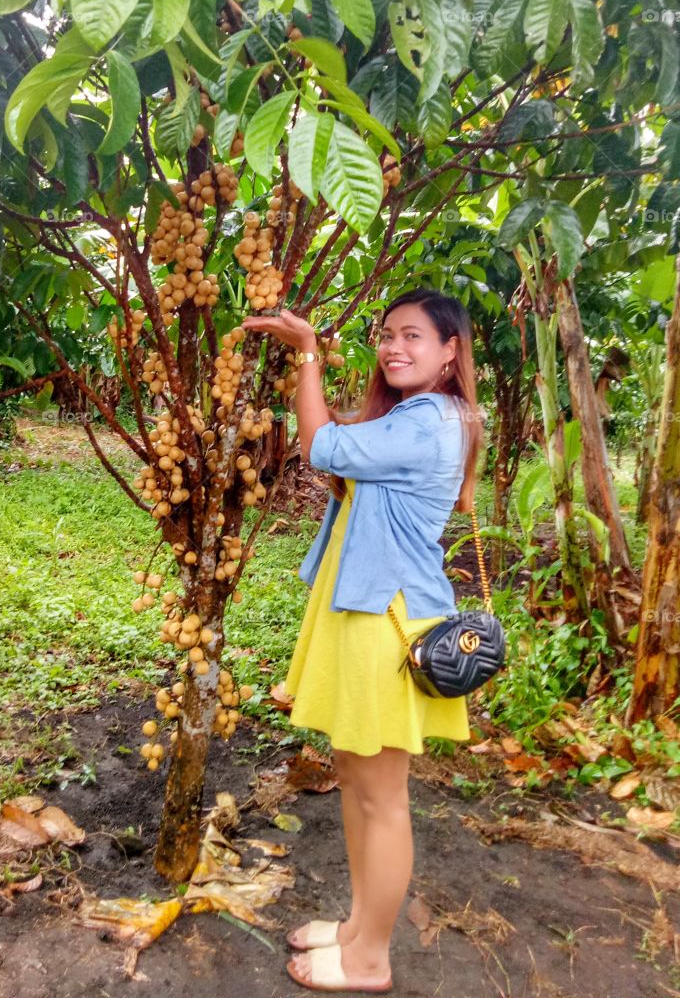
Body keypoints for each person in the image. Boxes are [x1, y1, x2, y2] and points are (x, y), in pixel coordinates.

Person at [242, 288, 483, 995]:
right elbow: (344, 459)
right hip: (366, 608)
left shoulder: (431, 420)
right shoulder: (420, 414)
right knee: (357, 783)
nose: (394, 347)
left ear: (449, 354)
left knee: (381, 798)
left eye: (413, 336)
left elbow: (322, 445)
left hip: (385, 619)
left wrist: (309, 353)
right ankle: (356, 928)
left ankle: (371, 958)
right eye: (387, 335)